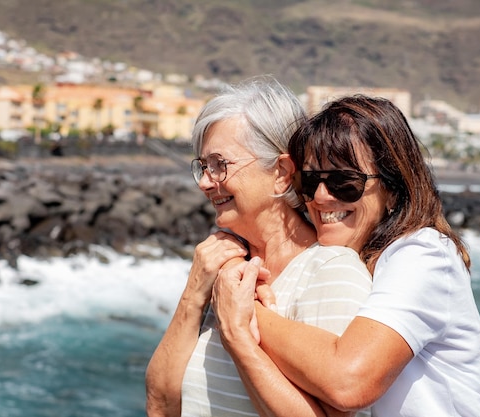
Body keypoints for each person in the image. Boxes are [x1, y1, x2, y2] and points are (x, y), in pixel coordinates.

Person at [212, 95, 480, 416]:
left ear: (393, 189)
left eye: (345, 183)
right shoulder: (351, 261)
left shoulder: (423, 254)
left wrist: (241, 312)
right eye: (309, 180)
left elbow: (350, 382)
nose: (320, 196)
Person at [145, 77, 373, 417]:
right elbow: (161, 407)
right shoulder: (221, 271)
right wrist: (194, 294)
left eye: (220, 164)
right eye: (203, 166)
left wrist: (238, 330)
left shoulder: (330, 271)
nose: (206, 182)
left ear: (281, 172)